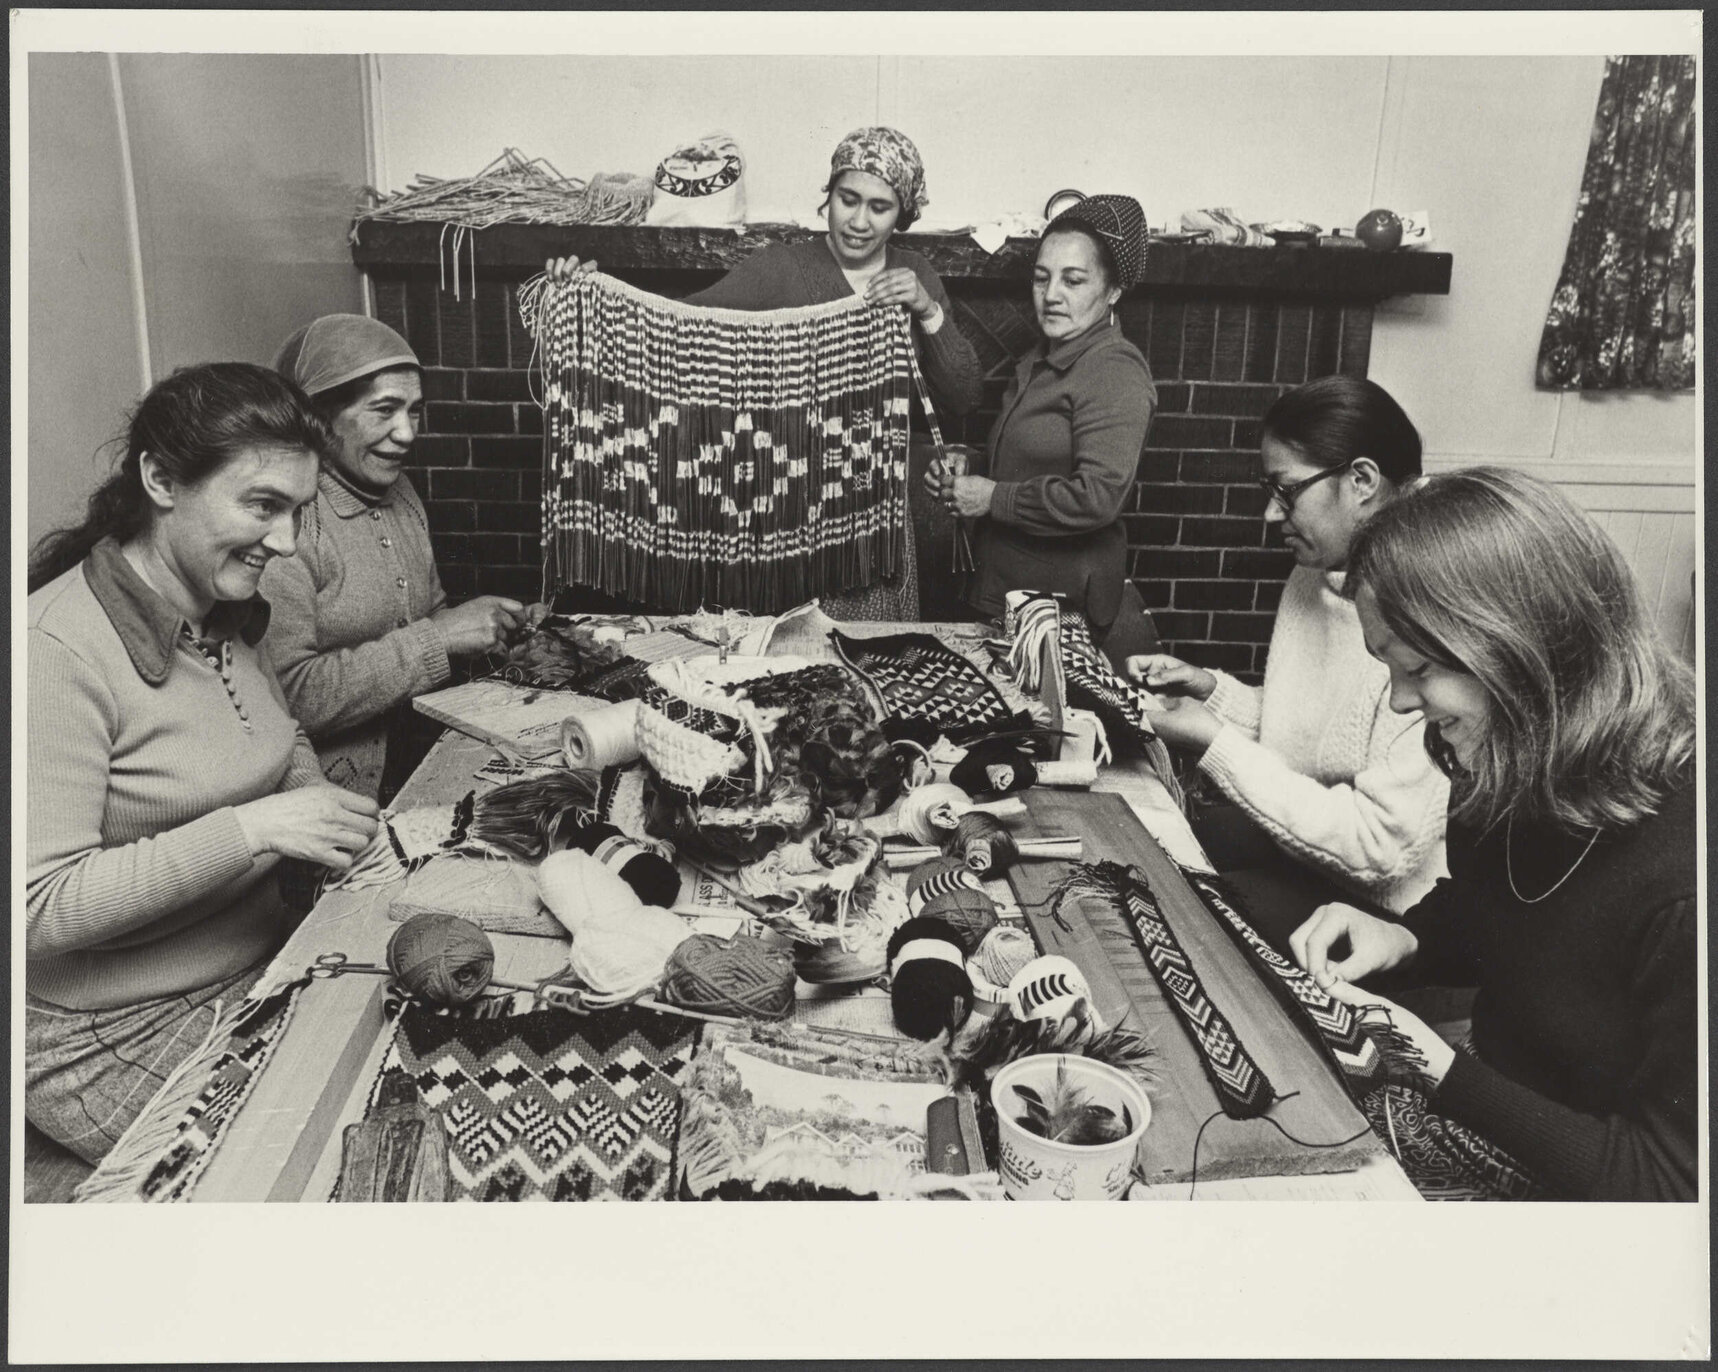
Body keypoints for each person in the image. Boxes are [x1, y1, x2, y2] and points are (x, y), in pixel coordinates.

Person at [1291, 468, 1695, 1202]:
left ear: (1524, 650)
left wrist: (1443, 1073)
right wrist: (1409, 939)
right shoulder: (1515, 749)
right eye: (1389, 668)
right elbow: (1514, 913)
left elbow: (1664, 1184)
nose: (1402, 700)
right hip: (1490, 1104)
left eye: (1417, 668)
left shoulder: (1688, 883)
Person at [26, 362, 381, 1165]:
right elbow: (37, 910)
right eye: (262, 506)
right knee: (306, 1168)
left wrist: (324, 816)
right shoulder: (51, 650)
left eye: (298, 512)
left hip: (257, 956)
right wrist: (256, 828)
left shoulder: (220, 610)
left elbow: (276, 735)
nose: (286, 543)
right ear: (160, 479)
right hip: (107, 1029)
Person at [548, 126, 983, 621]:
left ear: (902, 213)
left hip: (872, 527)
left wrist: (927, 309)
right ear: (830, 195)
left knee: (867, 659)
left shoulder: (915, 274)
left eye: (879, 207)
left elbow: (964, 396)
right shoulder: (780, 269)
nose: (859, 221)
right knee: (786, 672)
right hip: (786, 519)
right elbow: (680, 326)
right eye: (848, 199)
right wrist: (590, 292)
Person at [1123, 377, 1448, 941]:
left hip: (1383, 905)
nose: (1272, 515)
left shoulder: (1432, 605)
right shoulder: (1315, 573)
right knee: (1143, 842)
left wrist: (1212, 741)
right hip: (1305, 849)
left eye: (1287, 490)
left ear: (1363, 480)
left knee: (1179, 917)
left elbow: (1378, 852)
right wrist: (1210, 692)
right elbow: (1317, 734)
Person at [265, 315, 536, 799]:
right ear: (318, 418)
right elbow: (289, 699)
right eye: (384, 410)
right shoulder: (287, 527)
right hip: (341, 796)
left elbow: (426, 616)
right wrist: (440, 638)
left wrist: (488, 631)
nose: (407, 433)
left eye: (414, 411)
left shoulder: (401, 492)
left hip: (421, 753)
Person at [928, 194, 1158, 660]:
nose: (1052, 294)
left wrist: (990, 496)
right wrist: (965, 467)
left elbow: (1097, 498)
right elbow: (1027, 457)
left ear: (1113, 290)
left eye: (1074, 280)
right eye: (1041, 277)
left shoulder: (1114, 371)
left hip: (1058, 611)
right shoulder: (1045, 357)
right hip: (1010, 593)